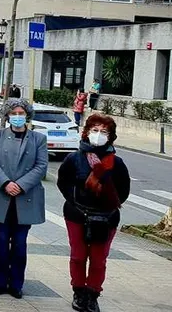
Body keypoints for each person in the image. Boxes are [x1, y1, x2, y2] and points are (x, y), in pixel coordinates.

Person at [57, 114, 130, 312]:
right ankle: (78, 292)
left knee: (98, 259)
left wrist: (107, 206)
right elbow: (63, 182)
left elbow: (123, 191)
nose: (98, 135)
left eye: (104, 132)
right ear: (87, 132)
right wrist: (75, 202)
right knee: (78, 256)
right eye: (95, 130)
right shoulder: (74, 158)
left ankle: (92, 294)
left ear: (111, 136)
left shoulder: (117, 163)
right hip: (77, 214)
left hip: (107, 217)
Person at [0, 99, 48, 299]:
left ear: (27, 115)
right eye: (14, 112)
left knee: (20, 244)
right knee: (1, 241)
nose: (18, 116)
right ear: (8, 115)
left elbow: (41, 166)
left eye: (21, 112)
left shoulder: (38, 139)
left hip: (25, 198)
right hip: (1, 196)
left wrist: (21, 185)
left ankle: (17, 283)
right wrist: (5, 183)